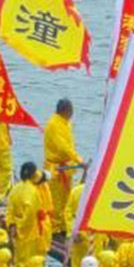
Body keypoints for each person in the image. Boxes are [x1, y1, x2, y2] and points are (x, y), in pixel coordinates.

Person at [43, 100, 80, 236]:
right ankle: (55, 227)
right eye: (70, 111)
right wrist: (78, 159)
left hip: (66, 166)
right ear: (65, 111)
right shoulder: (53, 124)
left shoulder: (65, 123)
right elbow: (62, 147)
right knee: (56, 198)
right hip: (56, 167)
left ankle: (64, 225)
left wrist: (74, 159)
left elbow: (70, 145)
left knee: (67, 198)